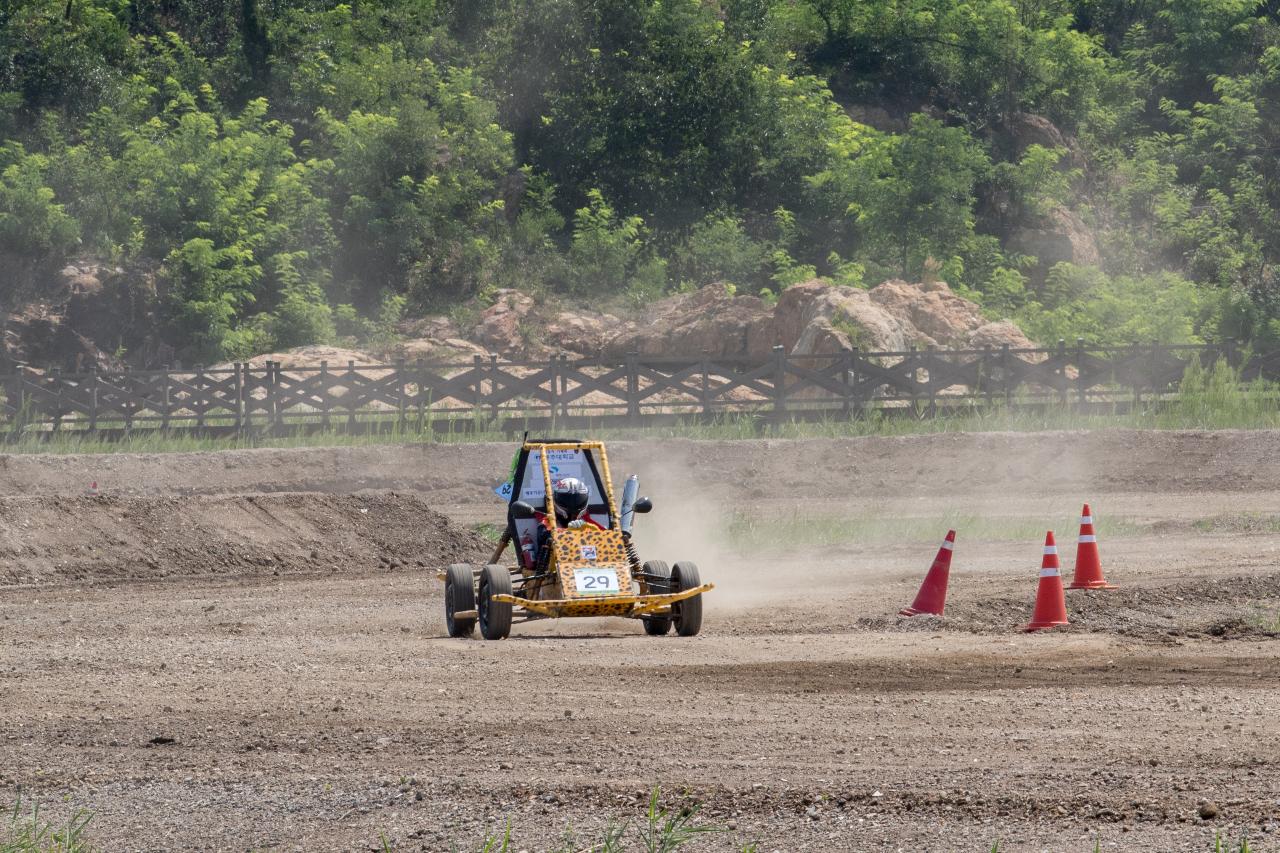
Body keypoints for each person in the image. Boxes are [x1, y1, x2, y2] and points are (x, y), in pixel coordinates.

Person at [530, 477, 602, 567]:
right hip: (555, 569)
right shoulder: (547, 523)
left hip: (590, 566)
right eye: (567, 499)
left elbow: (604, 537)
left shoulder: (589, 524)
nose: (572, 504)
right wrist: (569, 532)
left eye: (577, 499)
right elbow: (547, 536)